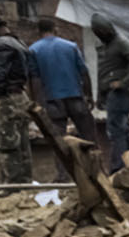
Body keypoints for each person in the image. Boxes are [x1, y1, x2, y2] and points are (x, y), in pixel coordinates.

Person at [27, 17, 102, 162]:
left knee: (59, 141)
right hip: (75, 97)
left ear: (38, 32)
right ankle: (97, 167)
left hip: (52, 100)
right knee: (89, 136)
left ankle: (64, 172)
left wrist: (38, 103)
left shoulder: (33, 50)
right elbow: (84, 73)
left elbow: (35, 79)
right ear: (55, 29)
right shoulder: (71, 46)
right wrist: (89, 96)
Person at [0, 14, 37, 183]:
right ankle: (25, 180)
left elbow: (0, 70)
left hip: (8, 98)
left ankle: (13, 182)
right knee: (23, 141)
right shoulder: (18, 42)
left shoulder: (1, 44)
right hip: (21, 96)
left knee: (7, 141)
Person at [89, 15, 129, 174]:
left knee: (117, 131)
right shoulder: (104, 45)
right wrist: (100, 95)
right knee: (122, 130)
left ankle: (118, 168)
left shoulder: (121, 42)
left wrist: (123, 83)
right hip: (110, 94)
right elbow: (103, 71)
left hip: (120, 94)